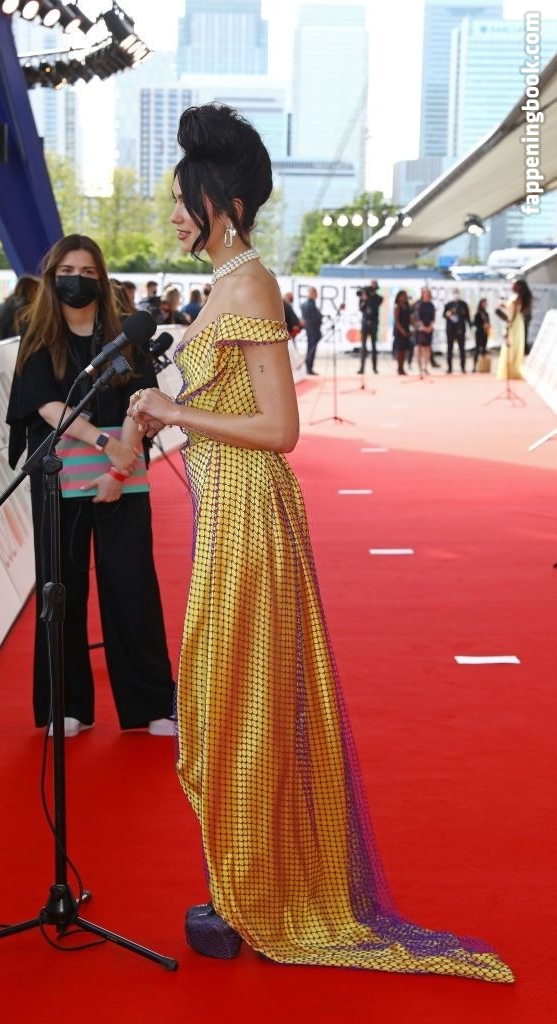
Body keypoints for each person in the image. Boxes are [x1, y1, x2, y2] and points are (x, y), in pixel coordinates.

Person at [129, 103, 512, 982]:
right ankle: (241, 881)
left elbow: (280, 429)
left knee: (245, 703)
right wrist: (157, 415)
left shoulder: (250, 286)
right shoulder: (222, 286)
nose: (176, 214)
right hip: (225, 517)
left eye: (186, 199)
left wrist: (173, 408)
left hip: (252, 516)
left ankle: (259, 893)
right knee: (226, 701)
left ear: (226, 204)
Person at [6, 234, 175, 738]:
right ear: (51, 277)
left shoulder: (126, 335)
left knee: (132, 587)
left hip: (125, 478)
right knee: (61, 590)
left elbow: (143, 400)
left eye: (86, 272)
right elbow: (45, 404)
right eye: (66, 272)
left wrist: (120, 467)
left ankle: (150, 704)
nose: (76, 280)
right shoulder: (37, 334)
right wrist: (105, 444)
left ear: (101, 279)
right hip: (59, 479)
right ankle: (66, 704)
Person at [496, 283, 527, 381]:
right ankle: (509, 370)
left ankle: (513, 370)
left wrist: (510, 323)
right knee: (509, 345)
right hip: (512, 321)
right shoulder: (514, 297)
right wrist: (504, 306)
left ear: (518, 287)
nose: (511, 286)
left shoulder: (518, 298)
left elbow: (514, 312)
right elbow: (511, 310)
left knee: (513, 345)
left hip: (515, 323)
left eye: (514, 285)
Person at [443, 289, 471, 374]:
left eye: (457, 293)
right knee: (449, 349)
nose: (455, 295)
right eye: (454, 293)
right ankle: (449, 368)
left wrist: (469, 329)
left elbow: (467, 317)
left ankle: (463, 367)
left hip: (460, 329)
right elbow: (444, 315)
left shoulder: (463, 304)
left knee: (462, 349)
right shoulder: (448, 304)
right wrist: (448, 315)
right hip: (450, 329)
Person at [358, 280, 382, 374]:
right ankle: (362, 368)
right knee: (363, 346)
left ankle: (374, 367)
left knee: (374, 346)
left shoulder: (378, 298)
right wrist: (364, 299)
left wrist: (369, 297)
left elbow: (375, 306)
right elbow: (361, 308)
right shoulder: (364, 297)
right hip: (365, 323)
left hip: (374, 323)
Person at [300, 286, 323, 375]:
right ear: (312, 293)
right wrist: (320, 316)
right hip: (314, 331)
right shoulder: (311, 305)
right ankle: (309, 368)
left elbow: (305, 319)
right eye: (315, 293)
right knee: (311, 349)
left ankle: (308, 368)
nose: (316, 295)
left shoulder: (303, 305)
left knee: (310, 348)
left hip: (309, 330)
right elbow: (315, 319)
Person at [413, 287, 435, 375]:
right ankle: (419, 368)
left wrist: (430, 327)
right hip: (420, 329)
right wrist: (423, 327)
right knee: (418, 348)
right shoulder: (419, 304)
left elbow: (433, 318)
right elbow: (418, 317)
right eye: (425, 293)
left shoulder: (431, 305)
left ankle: (425, 366)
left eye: (427, 293)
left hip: (429, 329)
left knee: (427, 347)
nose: (426, 295)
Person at [392, 289, 412, 375]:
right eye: (402, 296)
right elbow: (396, 321)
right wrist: (402, 330)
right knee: (400, 350)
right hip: (399, 331)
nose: (404, 298)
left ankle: (402, 367)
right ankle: (399, 368)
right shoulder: (397, 307)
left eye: (405, 296)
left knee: (404, 350)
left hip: (406, 329)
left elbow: (410, 319)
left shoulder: (407, 307)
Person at [513, 278, 533, 354]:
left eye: (516, 285)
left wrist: (521, 317)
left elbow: (526, 309)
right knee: (522, 335)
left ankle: (524, 351)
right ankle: (524, 351)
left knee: (523, 335)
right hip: (523, 317)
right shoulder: (523, 295)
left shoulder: (525, 295)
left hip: (523, 318)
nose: (514, 287)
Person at [473, 297, 490, 371]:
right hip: (479, 333)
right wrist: (482, 326)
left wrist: (488, 326)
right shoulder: (478, 313)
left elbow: (488, 322)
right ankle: (474, 367)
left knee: (484, 349)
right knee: (477, 350)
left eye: (486, 303)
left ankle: (483, 367)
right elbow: (474, 323)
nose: (485, 305)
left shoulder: (486, 313)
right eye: (484, 303)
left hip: (485, 333)